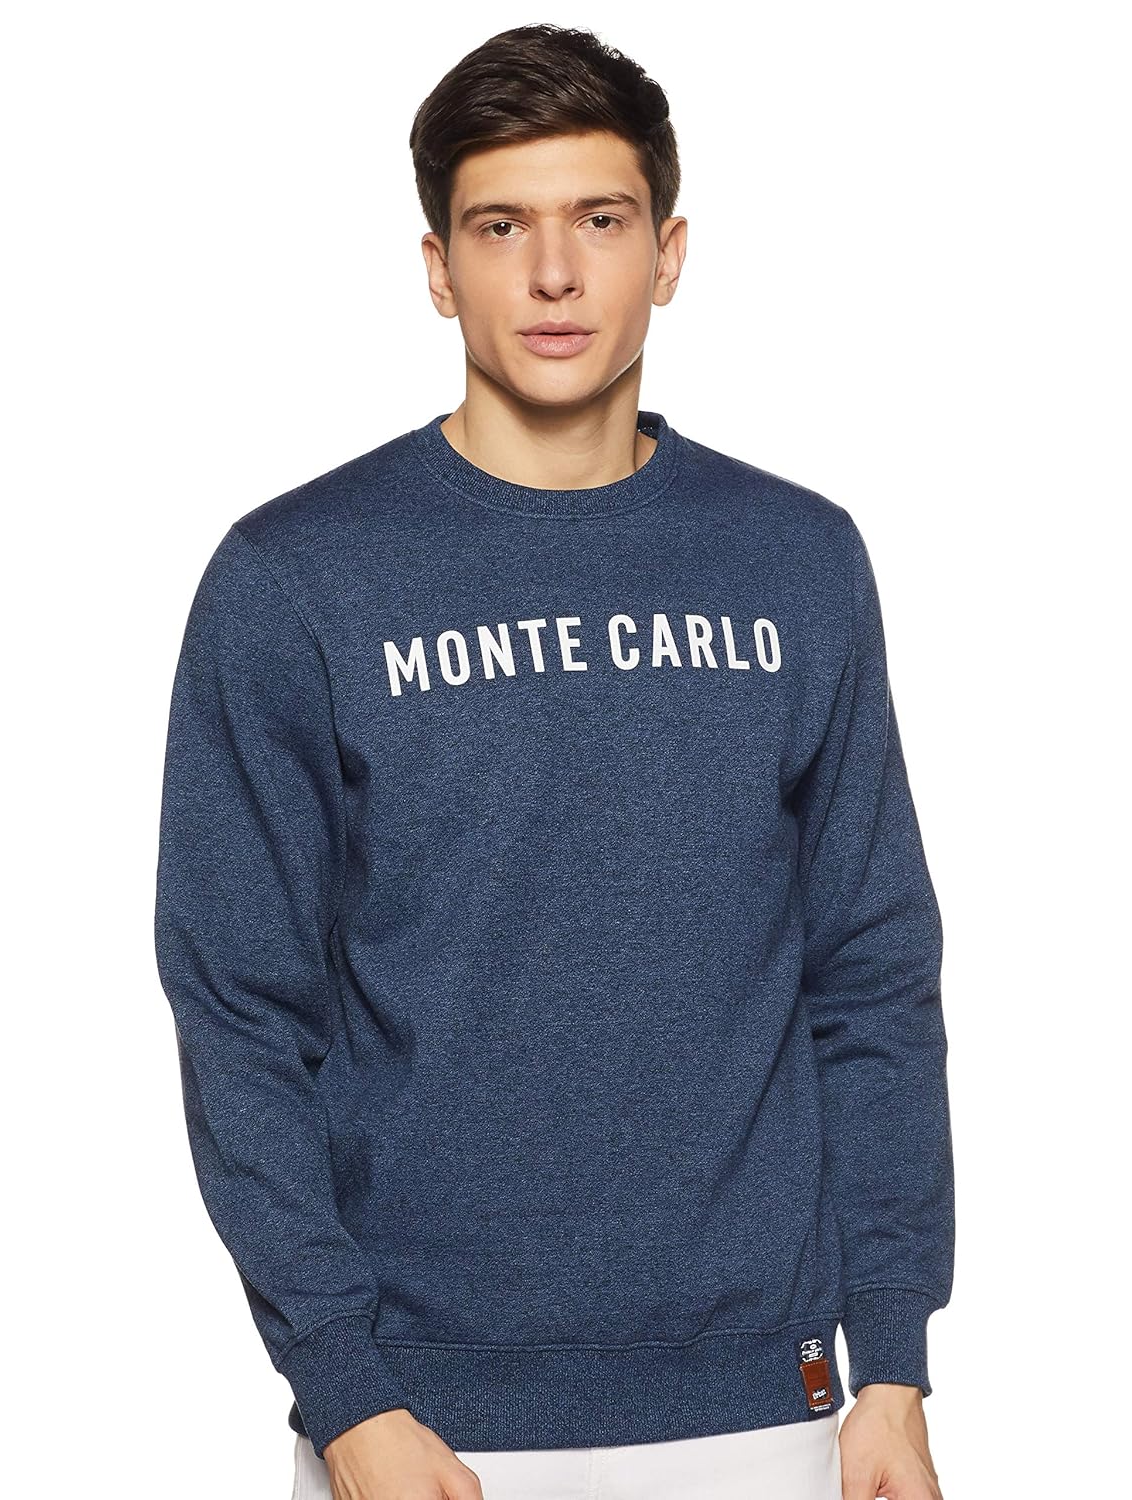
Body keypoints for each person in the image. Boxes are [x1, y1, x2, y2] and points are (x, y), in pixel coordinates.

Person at [153, 22, 954, 1500]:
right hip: (421, 1423)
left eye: (599, 219)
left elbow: (871, 975)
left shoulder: (795, 561)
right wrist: (347, 1393)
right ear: (436, 267)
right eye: (500, 227)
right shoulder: (296, 579)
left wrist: (893, 1362)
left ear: (669, 252)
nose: (553, 274)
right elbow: (238, 1013)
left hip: (764, 1406)